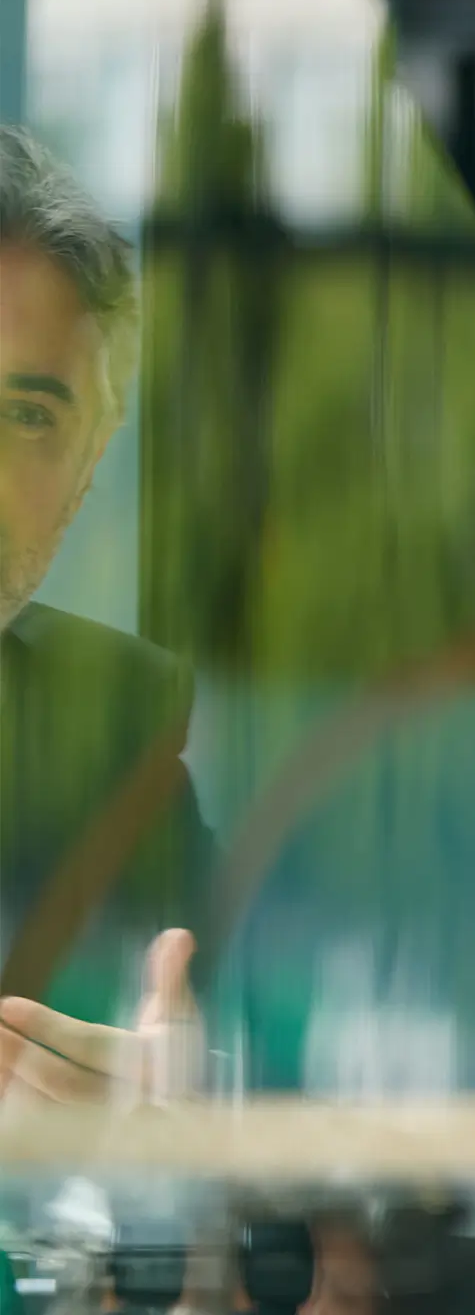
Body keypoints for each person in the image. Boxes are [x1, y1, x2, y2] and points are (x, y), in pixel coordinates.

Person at [0, 123, 208, 1102]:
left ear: (86, 468)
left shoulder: (121, 747)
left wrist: (174, 1115)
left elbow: (239, 1074)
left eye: (27, 416)